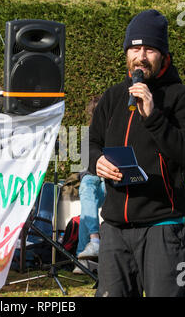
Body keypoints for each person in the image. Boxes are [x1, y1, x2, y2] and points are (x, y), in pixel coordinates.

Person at [88, 10, 185, 297]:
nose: (141, 56)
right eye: (135, 48)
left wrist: (154, 117)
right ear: (127, 53)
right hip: (114, 228)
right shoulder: (113, 96)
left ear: (163, 55)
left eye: (150, 49)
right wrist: (96, 161)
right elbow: (90, 144)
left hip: (163, 227)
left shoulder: (178, 97)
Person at [73, 96, 106, 274]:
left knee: (89, 193)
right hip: (93, 180)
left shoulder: (116, 131)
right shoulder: (90, 135)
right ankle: (93, 242)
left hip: (110, 181)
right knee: (86, 187)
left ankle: (83, 254)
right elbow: (85, 167)